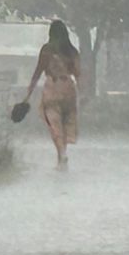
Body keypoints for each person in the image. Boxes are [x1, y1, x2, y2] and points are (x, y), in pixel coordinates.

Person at [23, 20, 80, 168]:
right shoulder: (72, 51)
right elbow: (78, 73)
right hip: (68, 88)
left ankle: (61, 153)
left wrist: (28, 94)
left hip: (52, 88)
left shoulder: (47, 50)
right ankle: (62, 155)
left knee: (54, 123)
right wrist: (83, 93)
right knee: (66, 122)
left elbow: (38, 71)